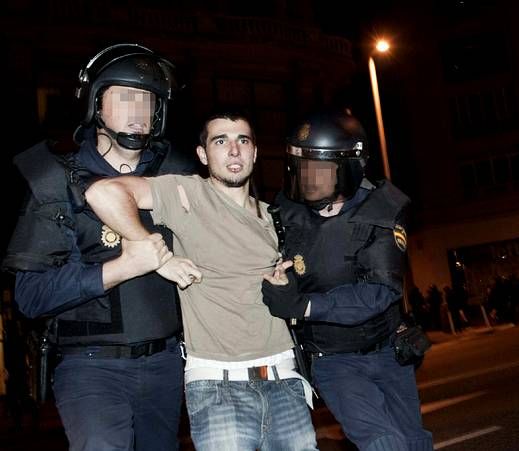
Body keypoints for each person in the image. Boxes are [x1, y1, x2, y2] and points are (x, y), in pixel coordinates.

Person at [84, 114, 318, 450]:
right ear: (203, 154)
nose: (234, 150)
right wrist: (158, 256)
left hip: (284, 378)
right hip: (217, 385)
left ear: (254, 154)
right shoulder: (187, 193)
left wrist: (287, 291)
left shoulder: (275, 217)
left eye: (243, 141)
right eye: (221, 141)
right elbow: (103, 193)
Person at [2, 43, 195, 450]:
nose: (138, 111)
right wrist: (121, 267)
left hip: (166, 365)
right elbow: (30, 296)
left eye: (148, 100)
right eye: (124, 97)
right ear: (96, 103)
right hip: (91, 369)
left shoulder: (179, 177)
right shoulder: (56, 182)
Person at [261, 111, 433, 451]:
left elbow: (379, 291)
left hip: (387, 351)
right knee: (383, 441)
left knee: (414, 441)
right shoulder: (283, 215)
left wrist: (306, 305)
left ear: (350, 168)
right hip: (332, 359)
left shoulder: (380, 212)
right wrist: (278, 285)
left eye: (319, 171)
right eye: (301, 168)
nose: (308, 180)